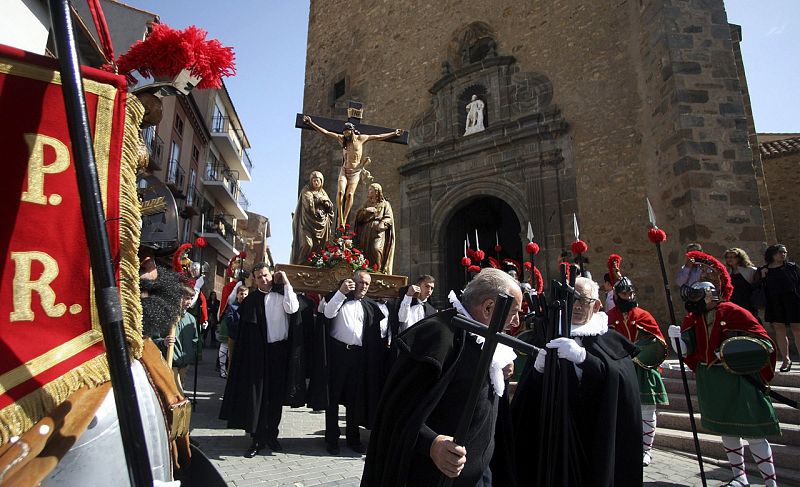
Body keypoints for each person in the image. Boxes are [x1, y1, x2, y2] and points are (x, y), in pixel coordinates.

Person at [362, 268, 520, 487]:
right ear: (489, 307)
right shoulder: (438, 335)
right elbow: (395, 408)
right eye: (513, 312)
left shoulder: (488, 338)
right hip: (434, 478)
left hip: (480, 476)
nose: (516, 322)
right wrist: (432, 443)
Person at [511, 276, 642, 487]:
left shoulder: (610, 338)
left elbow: (620, 382)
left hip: (597, 430)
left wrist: (585, 359)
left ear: (597, 305)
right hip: (556, 432)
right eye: (572, 299)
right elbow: (528, 396)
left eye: (584, 300)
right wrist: (538, 370)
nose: (577, 306)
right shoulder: (547, 334)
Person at [668, 251, 779, 487]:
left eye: (700, 295)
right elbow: (690, 350)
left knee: (754, 433)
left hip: (738, 378)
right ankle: (739, 477)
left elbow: (764, 343)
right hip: (713, 379)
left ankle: (770, 482)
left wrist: (731, 351)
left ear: (711, 294)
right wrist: (677, 342)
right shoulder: (693, 319)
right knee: (727, 431)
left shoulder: (734, 312)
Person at [219, 264, 307, 458]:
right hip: (258, 355)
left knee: (276, 398)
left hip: (280, 352)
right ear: (255, 280)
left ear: (272, 275)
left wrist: (285, 282)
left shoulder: (284, 294)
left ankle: (272, 436)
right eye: (259, 277)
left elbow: (293, 308)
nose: (264, 279)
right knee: (257, 398)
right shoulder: (250, 301)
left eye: (266, 275)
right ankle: (257, 439)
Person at [318, 270, 388, 455]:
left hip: (358, 357)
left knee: (354, 399)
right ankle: (332, 439)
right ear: (352, 282)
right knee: (333, 399)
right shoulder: (338, 298)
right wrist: (341, 292)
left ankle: (353, 438)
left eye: (367, 284)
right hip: (338, 355)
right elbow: (328, 313)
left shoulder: (370, 306)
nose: (363, 286)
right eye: (361, 282)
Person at [606, 276, 669, 467]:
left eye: (631, 293)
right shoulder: (609, 317)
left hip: (643, 368)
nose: (629, 296)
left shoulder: (644, 315)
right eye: (625, 293)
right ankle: (627, 447)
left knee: (647, 410)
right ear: (616, 295)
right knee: (622, 410)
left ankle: (646, 450)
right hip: (621, 367)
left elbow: (657, 342)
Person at [303, 115, 403, 227]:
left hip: (355, 172)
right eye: (344, 133)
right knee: (340, 192)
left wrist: (394, 133)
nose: (345, 135)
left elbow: (378, 136)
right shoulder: (342, 140)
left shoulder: (361, 139)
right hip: (344, 170)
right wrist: (311, 123)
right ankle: (341, 218)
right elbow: (326, 132)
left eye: (347, 132)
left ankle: (344, 219)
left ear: (352, 131)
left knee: (350, 195)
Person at [155, 280, 200, 395]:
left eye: (190, 298)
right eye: (186, 298)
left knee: (180, 386)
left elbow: (195, 340)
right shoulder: (167, 317)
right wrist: (163, 342)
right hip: (171, 361)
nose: (188, 302)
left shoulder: (191, 319)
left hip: (185, 363)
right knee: (177, 389)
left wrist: (192, 355)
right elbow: (153, 338)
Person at [761, 243, 800, 372]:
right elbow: (759, 287)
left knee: (797, 328)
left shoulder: (792, 267)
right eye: (780, 252)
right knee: (779, 329)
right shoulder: (765, 270)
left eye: (784, 252)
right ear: (772, 254)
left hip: (792, 300)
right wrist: (762, 276)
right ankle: (785, 359)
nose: (783, 254)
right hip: (775, 302)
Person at [291, 170, 335, 264]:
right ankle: (300, 264)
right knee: (307, 244)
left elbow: (330, 208)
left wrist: (327, 205)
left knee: (318, 247)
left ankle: (313, 263)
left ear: (321, 182)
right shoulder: (306, 190)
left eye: (318, 180)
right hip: (306, 223)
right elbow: (308, 204)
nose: (315, 182)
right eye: (314, 180)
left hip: (320, 225)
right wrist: (320, 200)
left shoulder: (323, 193)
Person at [354, 183, 395, 274]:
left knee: (376, 248)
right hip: (366, 230)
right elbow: (359, 218)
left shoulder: (385, 204)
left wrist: (383, 223)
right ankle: (365, 269)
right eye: (369, 190)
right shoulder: (366, 204)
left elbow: (389, 217)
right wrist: (366, 211)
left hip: (378, 231)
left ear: (377, 192)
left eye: (371, 190)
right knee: (364, 250)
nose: (369, 192)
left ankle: (378, 271)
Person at [216, 283, 248, 378]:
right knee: (232, 359)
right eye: (241, 294)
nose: (243, 296)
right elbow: (230, 322)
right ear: (237, 295)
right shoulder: (233, 307)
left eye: (245, 294)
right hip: (234, 336)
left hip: (245, 337)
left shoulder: (249, 307)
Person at [724, 247, 760, 318]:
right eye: (727, 257)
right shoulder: (728, 272)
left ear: (739, 258)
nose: (729, 259)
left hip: (747, 302)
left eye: (732, 257)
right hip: (733, 302)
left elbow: (756, 286)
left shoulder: (751, 270)